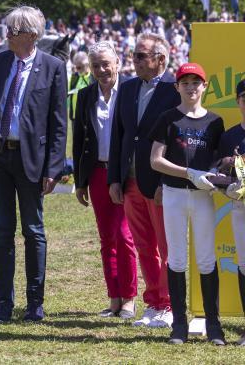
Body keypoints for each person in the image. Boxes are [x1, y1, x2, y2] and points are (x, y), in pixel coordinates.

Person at [0, 5, 68, 323]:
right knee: (2, 232)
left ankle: (35, 303)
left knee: (34, 231)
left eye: (13, 31)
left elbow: (59, 123)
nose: (7, 35)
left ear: (31, 35)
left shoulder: (53, 67)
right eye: (7, 30)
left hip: (32, 160)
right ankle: (3, 303)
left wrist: (54, 168)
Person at [149, 63, 226, 345]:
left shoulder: (215, 122)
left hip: (204, 196)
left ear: (205, 86)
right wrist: (189, 173)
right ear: (176, 87)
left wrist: (220, 178)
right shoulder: (168, 118)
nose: (191, 87)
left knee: (206, 258)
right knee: (178, 258)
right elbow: (155, 160)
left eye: (196, 82)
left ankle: (214, 326)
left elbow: (221, 161)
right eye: (185, 82)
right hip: (175, 194)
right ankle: (179, 325)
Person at [108, 32, 179, 328]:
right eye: (134, 55)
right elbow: (118, 135)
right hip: (131, 181)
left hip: (159, 183)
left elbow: (177, 140)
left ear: (159, 59)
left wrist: (166, 181)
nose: (133, 61)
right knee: (144, 246)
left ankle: (169, 304)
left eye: (140, 56)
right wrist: (115, 177)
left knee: (165, 247)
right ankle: (153, 303)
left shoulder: (174, 89)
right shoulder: (126, 88)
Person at [73, 41, 137, 318]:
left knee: (124, 236)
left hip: (126, 173)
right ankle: (114, 297)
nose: (101, 70)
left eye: (105, 64)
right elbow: (78, 140)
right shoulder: (86, 95)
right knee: (106, 237)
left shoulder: (130, 91)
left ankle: (130, 298)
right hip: (97, 173)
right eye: (95, 65)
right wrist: (80, 180)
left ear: (118, 63)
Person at [216, 78, 245, 346]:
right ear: (237, 101)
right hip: (240, 207)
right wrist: (228, 188)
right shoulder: (230, 136)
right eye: (244, 97)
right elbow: (219, 175)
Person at [68, 51, 91, 121]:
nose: (76, 70)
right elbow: (67, 92)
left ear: (87, 65)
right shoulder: (74, 77)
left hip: (89, 116)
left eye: (79, 67)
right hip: (75, 116)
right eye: (76, 66)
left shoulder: (93, 77)